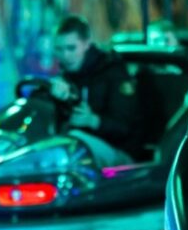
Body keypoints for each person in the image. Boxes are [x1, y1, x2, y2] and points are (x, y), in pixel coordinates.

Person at [50, 14, 139, 166]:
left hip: (121, 156)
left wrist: (93, 121)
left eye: (71, 48)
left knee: (71, 143)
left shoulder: (113, 71)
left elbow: (126, 127)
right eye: (59, 49)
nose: (65, 55)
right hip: (80, 151)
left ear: (86, 43)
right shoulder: (64, 78)